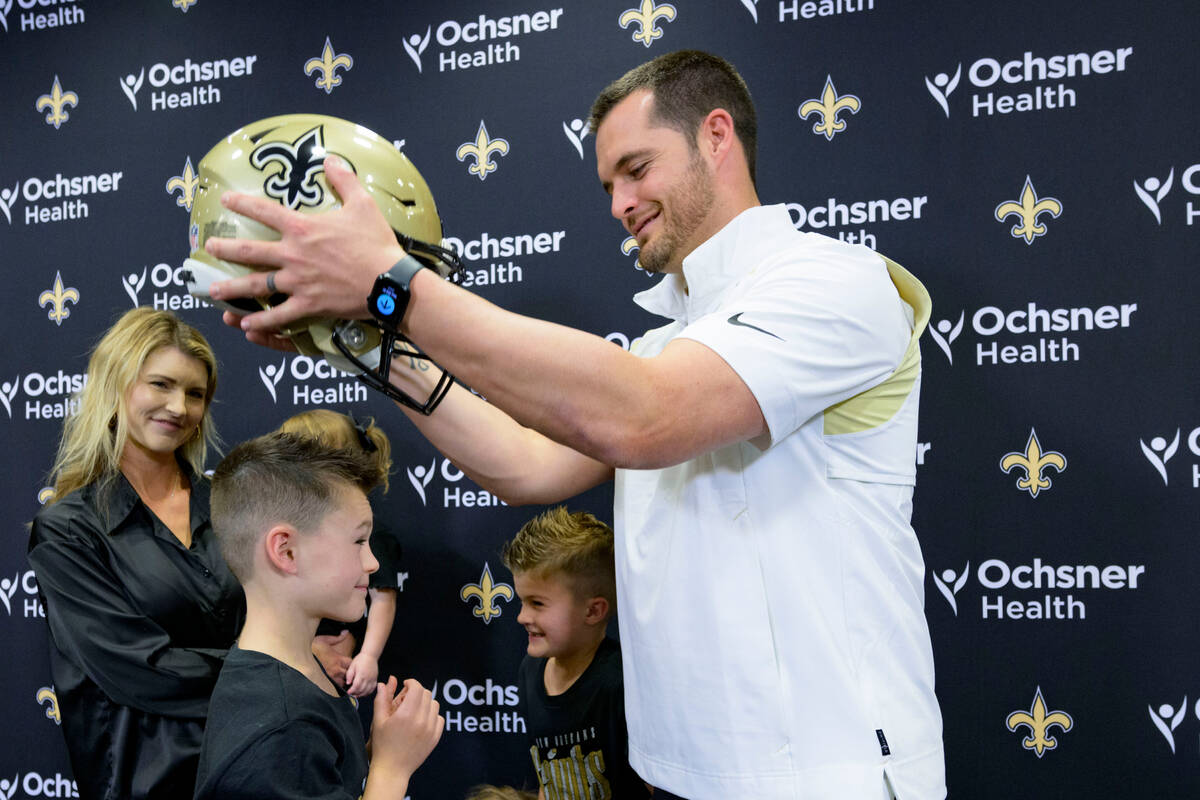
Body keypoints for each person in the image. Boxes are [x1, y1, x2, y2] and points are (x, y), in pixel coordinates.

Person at [204, 50, 945, 799]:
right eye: (608, 184)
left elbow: (645, 414)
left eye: (637, 168)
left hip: (829, 772)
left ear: (716, 135)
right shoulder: (665, 344)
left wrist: (392, 288)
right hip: (678, 776)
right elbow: (523, 464)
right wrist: (369, 342)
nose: (620, 203)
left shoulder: (835, 283)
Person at [28, 307, 244, 800]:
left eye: (195, 393)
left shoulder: (230, 507)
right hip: (145, 782)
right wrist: (280, 667)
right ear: (115, 385)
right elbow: (139, 669)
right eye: (161, 385)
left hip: (251, 764)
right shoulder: (68, 531)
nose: (179, 406)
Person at [197, 432, 443, 800]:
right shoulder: (281, 730)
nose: (373, 562)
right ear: (288, 552)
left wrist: (372, 756)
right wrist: (391, 770)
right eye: (359, 541)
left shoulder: (296, 675)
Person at [501, 507, 649, 799]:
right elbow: (548, 777)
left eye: (537, 603)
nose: (522, 616)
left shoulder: (622, 683)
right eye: (522, 601)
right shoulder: (530, 670)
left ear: (593, 610)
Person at [276, 409, 402, 703]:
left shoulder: (369, 530)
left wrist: (368, 656)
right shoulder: (282, 526)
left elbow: (384, 597)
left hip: (337, 660)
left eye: (301, 461)